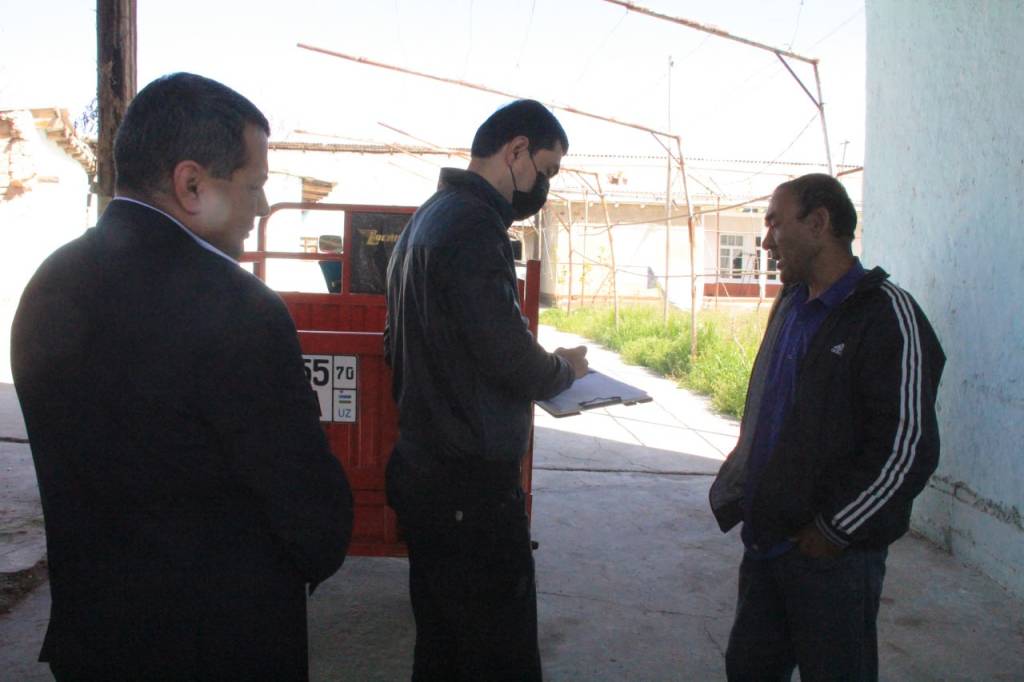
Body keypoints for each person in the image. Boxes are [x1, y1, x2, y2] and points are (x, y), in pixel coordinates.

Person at [11, 73, 353, 681]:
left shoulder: (48, 284)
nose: (262, 208)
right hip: (222, 646)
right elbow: (312, 515)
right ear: (191, 184)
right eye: (254, 186)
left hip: (93, 644)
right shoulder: (239, 309)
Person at [709, 173, 946, 681]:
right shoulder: (791, 304)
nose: (766, 242)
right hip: (767, 542)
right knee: (748, 669)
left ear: (819, 223)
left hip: (833, 557)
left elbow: (908, 446)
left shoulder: (887, 315)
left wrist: (834, 528)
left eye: (775, 224)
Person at [383, 99, 588, 681]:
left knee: (444, 645)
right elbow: (508, 354)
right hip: (468, 488)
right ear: (516, 151)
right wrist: (564, 370)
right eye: (546, 171)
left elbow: (395, 342)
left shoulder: (428, 217)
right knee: (498, 653)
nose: (544, 187)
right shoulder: (475, 227)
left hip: (426, 471)